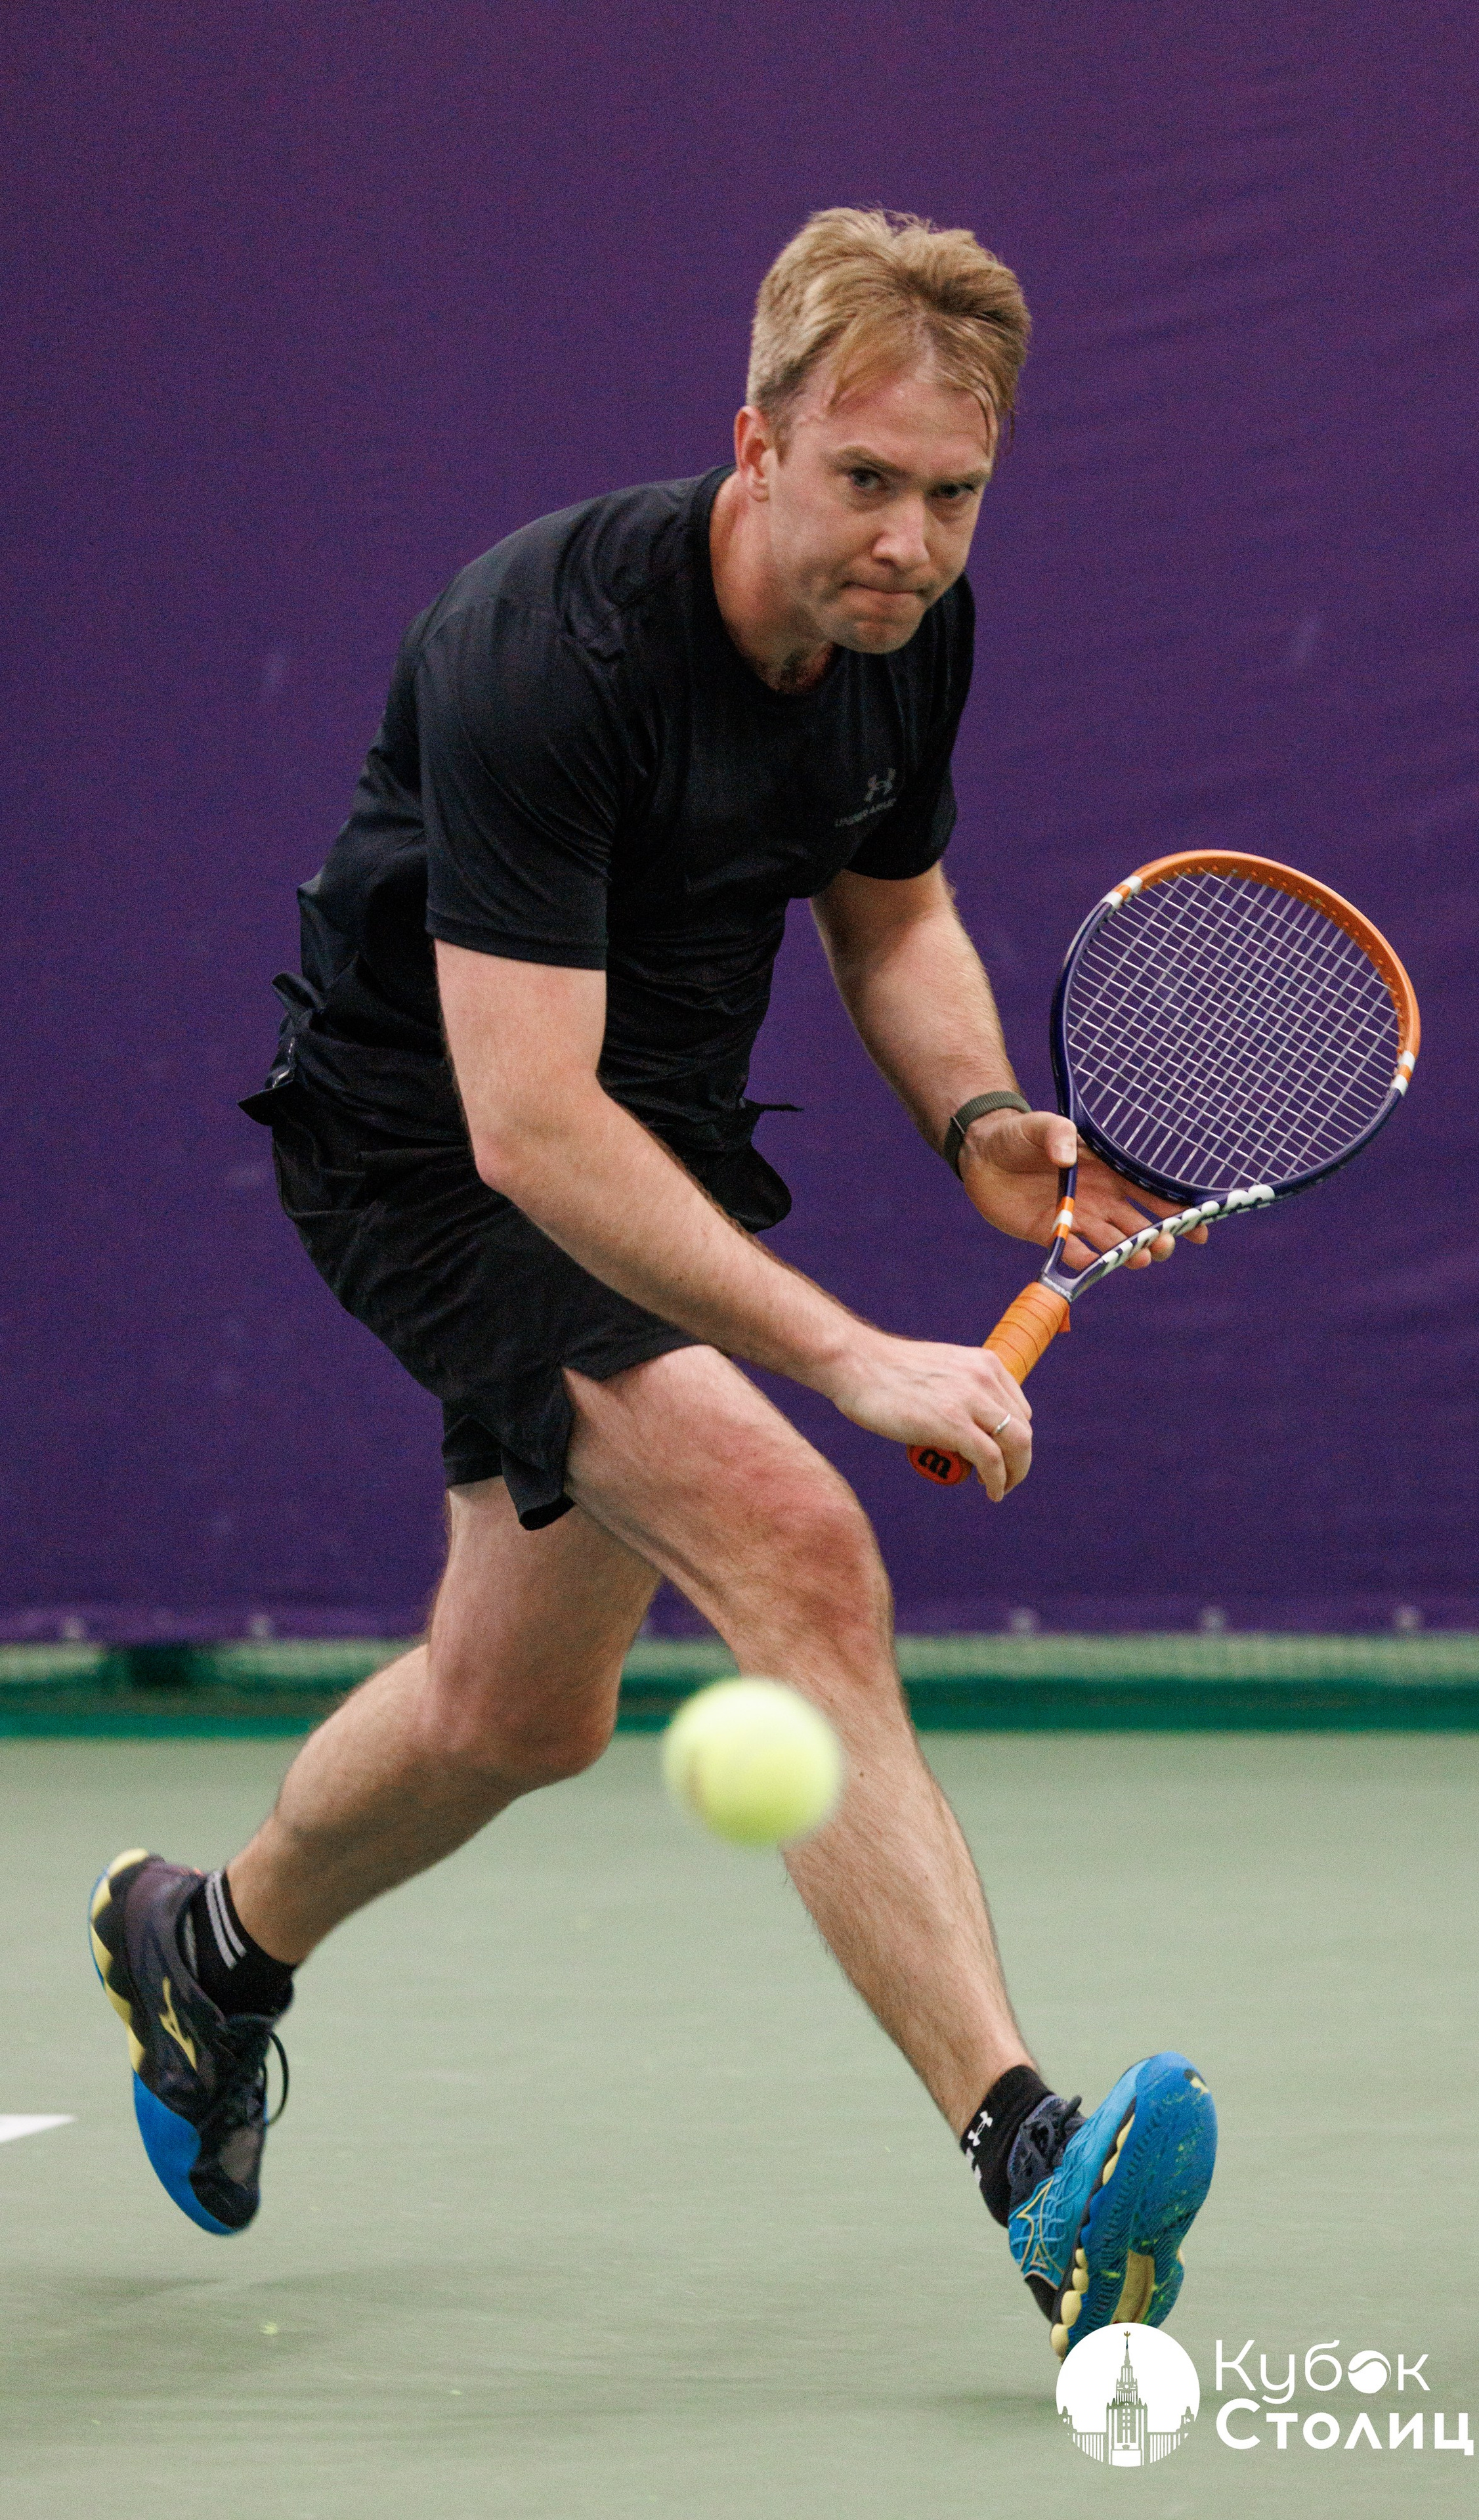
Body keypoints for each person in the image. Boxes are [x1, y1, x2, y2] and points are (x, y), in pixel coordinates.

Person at [89, 208, 1216, 2360]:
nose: (906, 537)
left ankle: (207, 1952)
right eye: (863, 479)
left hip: (651, 1135)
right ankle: (1036, 2166)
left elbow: (890, 920)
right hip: (435, 1149)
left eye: (953, 494)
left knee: (524, 1708)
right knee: (798, 1542)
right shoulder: (546, 645)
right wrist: (852, 1360)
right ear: (759, 442)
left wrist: (983, 1125)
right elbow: (526, 1130)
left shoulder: (906, 637)